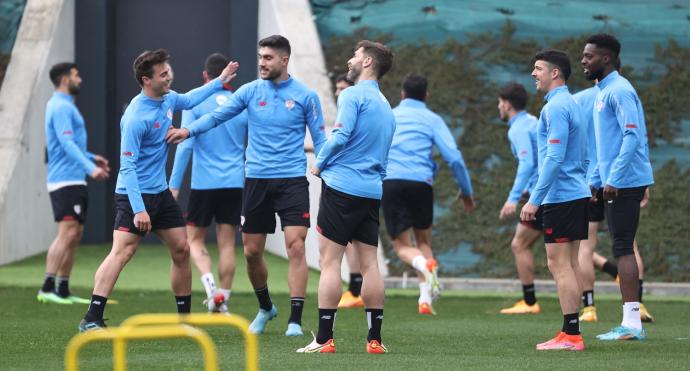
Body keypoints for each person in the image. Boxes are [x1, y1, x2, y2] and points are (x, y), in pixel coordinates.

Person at [166, 35, 327, 337]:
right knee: (252, 253)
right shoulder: (250, 91)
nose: (262, 63)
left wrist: (328, 168)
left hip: (292, 180)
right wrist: (188, 130)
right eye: (260, 57)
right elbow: (215, 117)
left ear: (284, 60)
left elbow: (322, 141)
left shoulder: (306, 96)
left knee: (295, 245)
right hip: (255, 182)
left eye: (268, 57)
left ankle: (295, 320)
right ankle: (266, 307)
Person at [78, 49, 238, 331]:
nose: (169, 77)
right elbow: (126, 169)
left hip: (161, 194)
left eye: (169, 71)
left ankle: (184, 321)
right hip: (133, 194)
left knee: (181, 248)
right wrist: (139, 209)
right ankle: (91, 318)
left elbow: (190, 98)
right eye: (163, 74)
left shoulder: (169, 99)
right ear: (145, 80)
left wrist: (220, 80)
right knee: (122, 253)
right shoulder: (135, 117)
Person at [295, 39, 395, 354]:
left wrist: (320, 163)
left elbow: (340, 136)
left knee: (329, 262)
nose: (350, 60)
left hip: (341, 188)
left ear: (367, 62)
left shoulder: (352, 95)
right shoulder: (386, 106)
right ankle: (374, 340)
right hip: (370, 192)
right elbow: (383, 155)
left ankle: (325, 339)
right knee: (369, 265)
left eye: (355, 56)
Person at [581, 34, 654, 340]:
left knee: (623, 248)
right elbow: (604, 145)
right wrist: (596, 181)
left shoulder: (620, 91)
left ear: (606, 58)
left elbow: (633, 136)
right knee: (621, 246)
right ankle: (630, 323)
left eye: (589, 56)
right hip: (615, 182)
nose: (583, 61)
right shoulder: (603, 90)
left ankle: (632, 325)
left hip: (621, 183)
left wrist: (615, 178)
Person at [383, 74, 474, 315]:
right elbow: (454, 157)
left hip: (391, 181)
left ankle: (424, 266)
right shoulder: (432, 119)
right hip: (421, 184)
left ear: (402, 94)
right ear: (426, 96)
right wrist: (466, 191)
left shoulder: (389, 115)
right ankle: (425, 299)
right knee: (423, 241)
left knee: (402, 246)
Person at [521, 49, 590, 351]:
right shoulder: (570, 103)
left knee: (559, 265)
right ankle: (568, 331)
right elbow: (582, 154)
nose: (533, 74)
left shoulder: (556, 108)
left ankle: (572, 336)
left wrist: (535, 198)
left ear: (555, 73)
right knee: (570, 264)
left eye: (538, 69)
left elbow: (554, 157)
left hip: (561, 197)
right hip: (574, 193)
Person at [169, 53, 248, 313]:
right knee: (227, 244)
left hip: (204, 184)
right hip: (234, 182)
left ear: (205, 76)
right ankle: (223, 299)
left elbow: (185, 144)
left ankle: (210, 287)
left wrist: (174, 185)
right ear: (229, 76)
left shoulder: (197, 99)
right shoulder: (239, 103)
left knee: (194, 240)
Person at [39, 62, 110, 305]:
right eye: (75, 75)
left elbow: (68, 145)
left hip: (73, 178)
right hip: (64, 180)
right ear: (64, 79)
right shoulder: (59, 106)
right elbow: (66, 145)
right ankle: (47, 287)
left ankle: (62, 289)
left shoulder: (66, 105)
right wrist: (90, 168)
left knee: (75, 234)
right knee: (67, 232)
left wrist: (92, 158)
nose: (80, 79)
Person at [496, 82, 542, 315]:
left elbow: (527, 163)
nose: (498, 107)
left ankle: (530, 302)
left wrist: (513, 198)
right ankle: (613, 271)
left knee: (519, 244)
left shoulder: (517, 129)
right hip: (547, 191)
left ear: (507, 104)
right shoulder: (532, 121)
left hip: (540, 195)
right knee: (574, 246)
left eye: (499, 103)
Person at [332, 74, 365, 309]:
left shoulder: (352, 110)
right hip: (363, 183)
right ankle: (356, 290)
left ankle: (355, 291)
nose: (338, 93)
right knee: (354, 242)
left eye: (342, 88)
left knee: (339, 247)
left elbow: (341, 141)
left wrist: (319, 159)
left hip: (347, 184)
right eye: (336, 88)